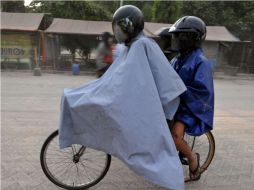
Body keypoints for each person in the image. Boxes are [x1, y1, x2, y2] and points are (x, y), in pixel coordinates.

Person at [59, 5, 186, 190]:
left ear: (129, 27)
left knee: (148, 143)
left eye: (119, 28)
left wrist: (105, 96)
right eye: (115, 28)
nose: (116, 32)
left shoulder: (141, 45)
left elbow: (131, 83)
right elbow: (117, 78)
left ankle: (174, 172)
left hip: (153, 102)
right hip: (142, 97)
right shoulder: (131, 46)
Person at [168, 16, 214, 181]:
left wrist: (180, 90)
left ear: (192, 38)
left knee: (175, 137)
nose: (176, 40)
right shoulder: (177, 59)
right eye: (176, 36)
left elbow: (202, 91)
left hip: (188, 108)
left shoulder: (201, 62)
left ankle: (193, 158)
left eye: (181, 36)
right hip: (175, 104)